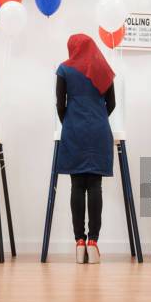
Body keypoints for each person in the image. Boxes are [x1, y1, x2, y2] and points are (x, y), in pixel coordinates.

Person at [56, 34, 115, 264]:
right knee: (95, 185)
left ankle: (79, 241)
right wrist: (98, 116)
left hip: (74, 129)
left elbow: (60, 104)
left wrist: (71, 122)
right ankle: (93, 241)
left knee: (77, 185)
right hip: (99, 130)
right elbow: (112, 104)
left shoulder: (64, 69)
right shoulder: (103, 68)